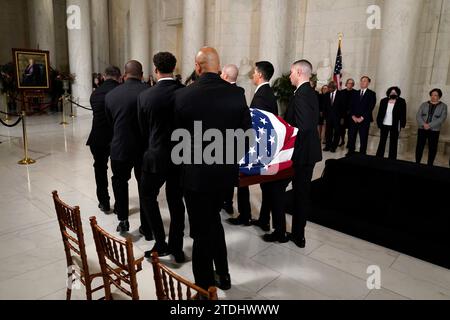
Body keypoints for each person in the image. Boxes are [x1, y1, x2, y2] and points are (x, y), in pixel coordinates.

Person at [174, 47, 252, 291]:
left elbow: (177, 140)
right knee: (213, 222)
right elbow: (245, 138)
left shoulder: (183, 95)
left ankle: (204, 288)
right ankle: (224, 274)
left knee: (200, 230)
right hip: (223, 176)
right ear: (218, 68)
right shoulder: (236, 94)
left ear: (198, 67)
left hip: (195, 175)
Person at [138, 52, 186, 263]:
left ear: (155, 70)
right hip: (181, 155)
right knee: (176, 201)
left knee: (148, 195)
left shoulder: (146, 95)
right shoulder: (186, 93)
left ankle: (160, 241)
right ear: (174, 68)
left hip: (155, 155)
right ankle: (176, 247)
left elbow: (143, 130)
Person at [230, 61, 278, 232]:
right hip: (265, 146)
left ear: (260, 75)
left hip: (257, 146)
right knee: (265, 185)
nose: (252, 75)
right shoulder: (267, 92)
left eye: (254, 72)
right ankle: (264, 219)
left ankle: (246, 216)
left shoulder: (261, 96)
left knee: (245, 179)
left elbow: (257, 125)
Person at [105, 60, 151, 237]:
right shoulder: (148, 92)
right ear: (142, 75)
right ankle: (146, 225)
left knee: (119, 182)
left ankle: (123, 219)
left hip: (120, 147)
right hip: (143, 149)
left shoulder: (111, 95)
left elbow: (111, 123)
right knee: (144, 186)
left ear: (124, 75)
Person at [285, 59, 322, 248]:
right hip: (307, 151)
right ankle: (297, 233)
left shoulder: (301, 95)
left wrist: (289, 151)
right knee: (300, 193)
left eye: (291, 72)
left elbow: (305, 127)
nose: (289, 76)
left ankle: (297, 234)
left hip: (301, 154)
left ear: (299, 72)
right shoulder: (310, 92)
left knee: (299, 194)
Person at [87, 66, 121, 213]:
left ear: (104, 76)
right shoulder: (121, 91)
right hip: (117, 138)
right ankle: (120, 204)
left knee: (100, 169)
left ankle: (104, 202)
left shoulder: (95, 94)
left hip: (98, 137)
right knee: (118, 174)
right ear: (119, 77)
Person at [220, 64, 245, 215]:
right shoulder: (240, 92)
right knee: (229, 172)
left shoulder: (222, 92)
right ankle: (228, 202)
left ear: (225, 76)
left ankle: (222, 201)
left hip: (222, 139)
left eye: (222, 73)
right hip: (235, 139)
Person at [416, 88, 448, 166]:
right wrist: (424, 124)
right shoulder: (423, 104)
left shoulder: (443, 106)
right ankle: (417, 163)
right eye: (432, 95)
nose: (433, 96)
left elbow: (442, 118)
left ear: (439, 96)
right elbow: (418, 115)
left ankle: (430, 165)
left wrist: (429, 125)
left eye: (436, 95)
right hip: (422, 129)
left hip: (434, 130)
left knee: (432, 148)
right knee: (419, 147)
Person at [347, 76, 377, 156]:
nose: (362, 82)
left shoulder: (372, 94)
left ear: (368, 83)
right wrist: (353, 116)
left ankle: (362, 154)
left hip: (364, 120)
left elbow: (370, 107)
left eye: (364, 81)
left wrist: (362, 118)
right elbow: (351, 106)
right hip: (353, 119)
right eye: (361, 81)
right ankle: (350, 152)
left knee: (363, 137)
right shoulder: (355, 93)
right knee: (351, 136)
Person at [376, 86, 407, 160]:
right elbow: (380, 113)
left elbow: (403, 113)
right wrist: (378, 122)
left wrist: (402, 125)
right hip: (384, 124)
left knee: (393, 142)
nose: (393, 93)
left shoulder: (401, 101)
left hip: (395, 125)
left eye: (395, 92)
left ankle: (392, 159)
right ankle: (379, 157)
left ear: (397, 93)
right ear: (389, 93)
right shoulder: (383, 100)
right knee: (382, 141)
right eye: (392, 92)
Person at [323, 81, 344, 153]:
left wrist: (342, 118)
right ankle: (328, 146)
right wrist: (325, 117)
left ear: (334, 88)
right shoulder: (326, 95)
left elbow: (343, 107)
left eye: (330, 88)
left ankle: (334, 147)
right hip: (328, 118)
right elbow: (324, 107)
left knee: (337, 132)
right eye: (328, 87)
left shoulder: (341, 94)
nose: (328, 89)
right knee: (328, 132)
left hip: (337, 118)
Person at [340, 79, 357, 147]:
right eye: (349, 83)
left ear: (353, 85)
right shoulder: (341, 92)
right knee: (342, 129)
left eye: (351, 83)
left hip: (352, 114)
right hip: (343, 114)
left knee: (351, 130)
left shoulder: (356, 92)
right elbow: (339, 104)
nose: (350, 84)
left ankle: (349, 143)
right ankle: (342, 141)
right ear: (346, 84)